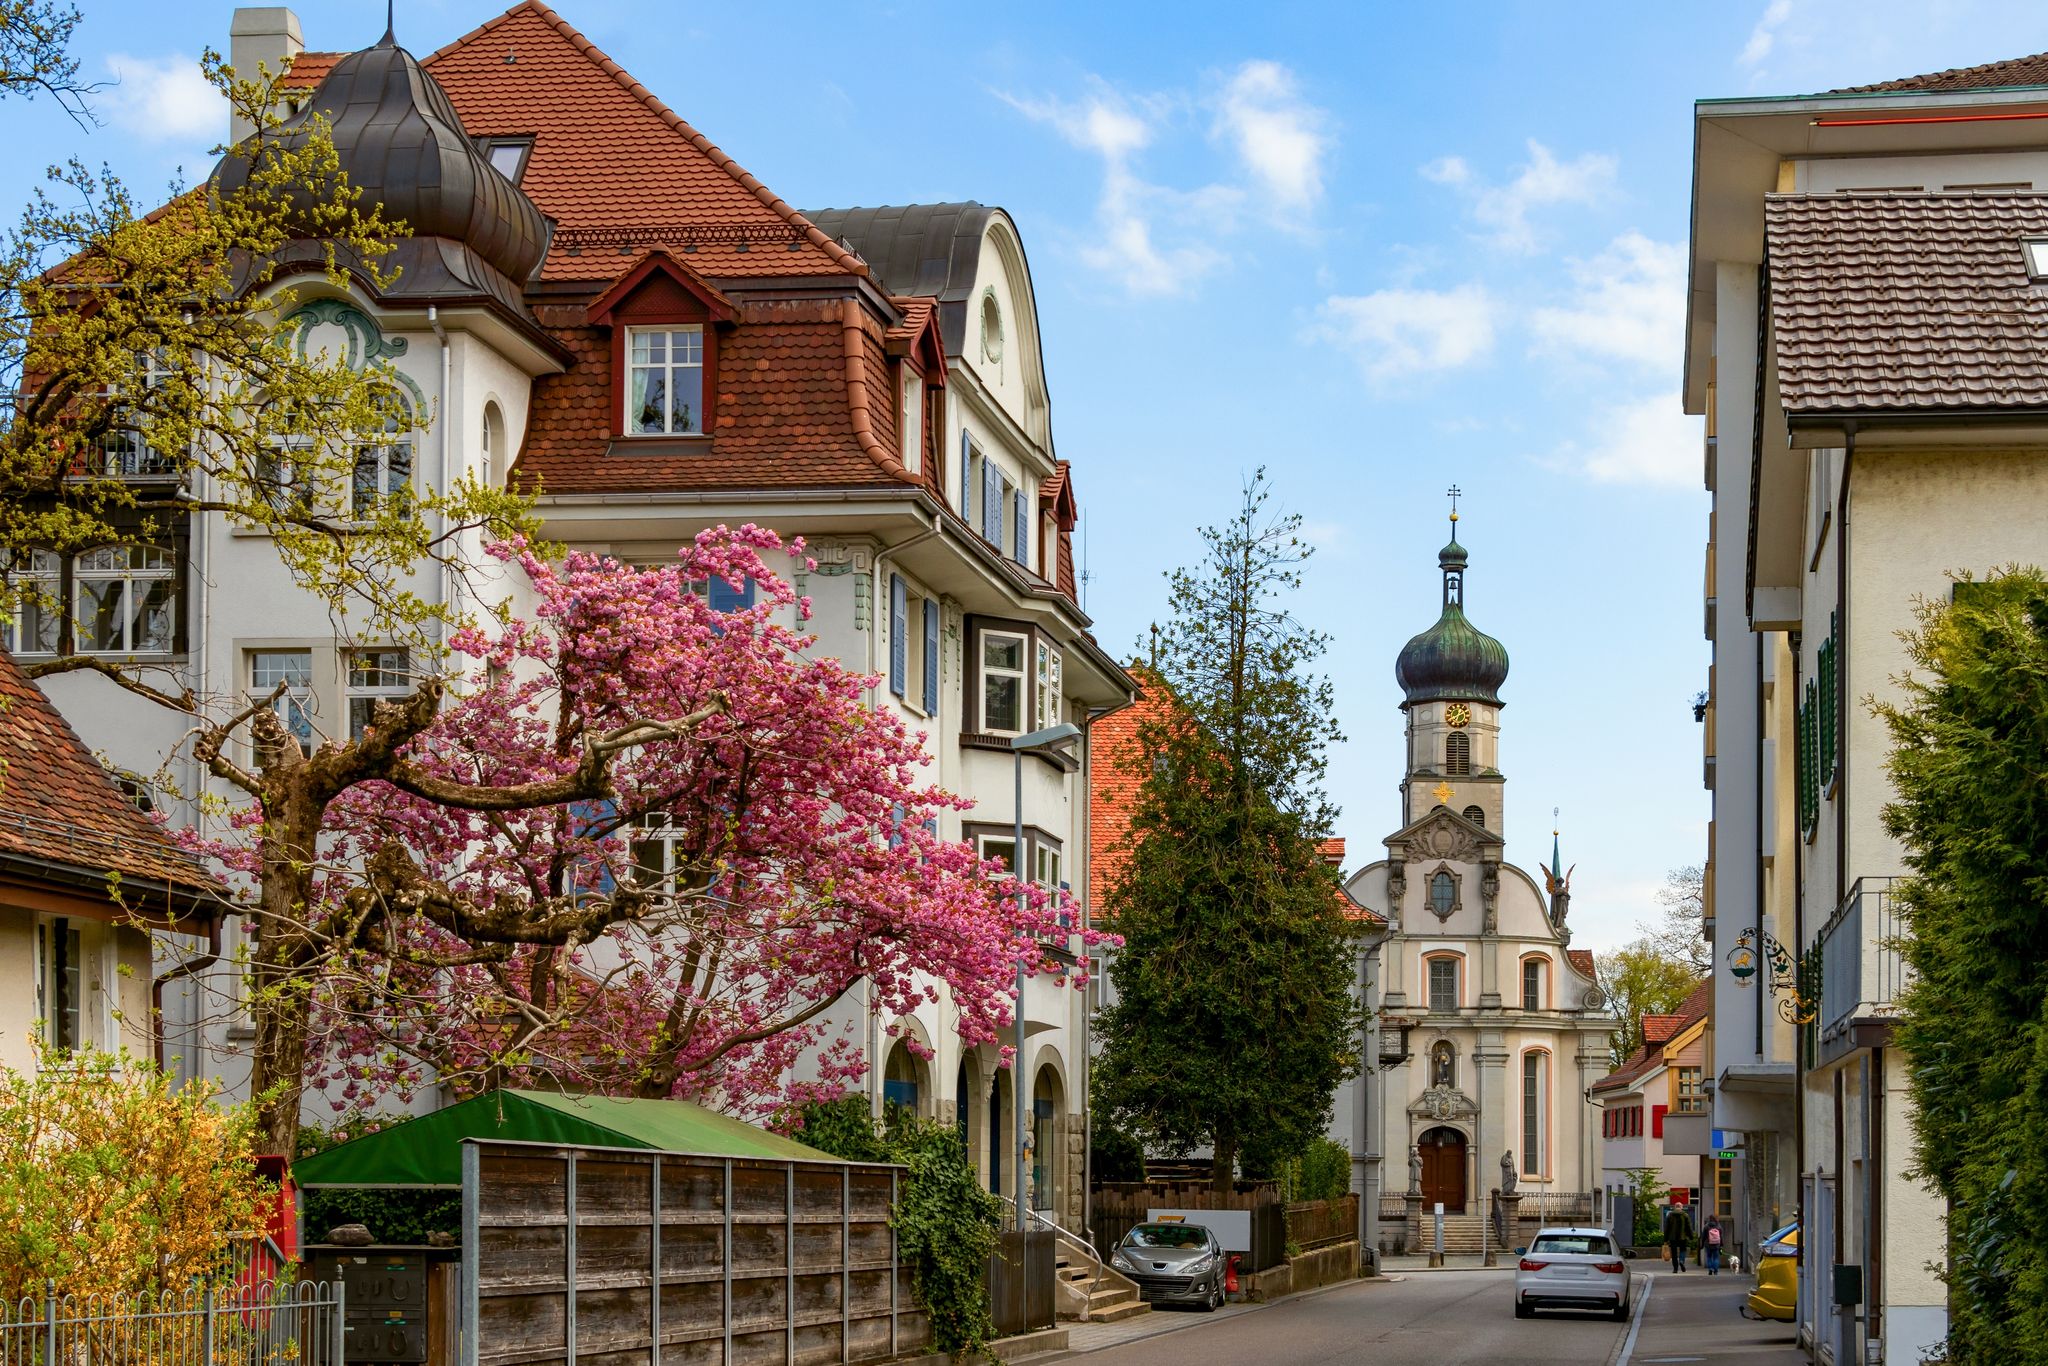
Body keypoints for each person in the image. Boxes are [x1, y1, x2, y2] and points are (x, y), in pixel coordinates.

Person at [1663, 1200, 1695, 1273]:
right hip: (1682, 1237)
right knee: (1683, 1250)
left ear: (1675, 1207)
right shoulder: (1685, 1215)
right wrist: (1691, 1236)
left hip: (1672, 1237)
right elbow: (1689, 1227)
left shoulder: (1670, 1215)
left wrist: (1665, 1239)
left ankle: (1675, 1269)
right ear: (1681, 1207)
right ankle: (1681, 1261)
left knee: (1674, 1253)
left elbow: (1667, 1228)